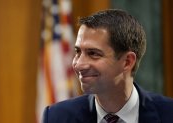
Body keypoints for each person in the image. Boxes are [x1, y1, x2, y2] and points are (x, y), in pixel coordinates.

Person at [42, 9, 173, 123]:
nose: (78, 65)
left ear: (127, 61)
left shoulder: (168, 114)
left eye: (93, 53)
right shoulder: (56, 117)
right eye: (78, 52)